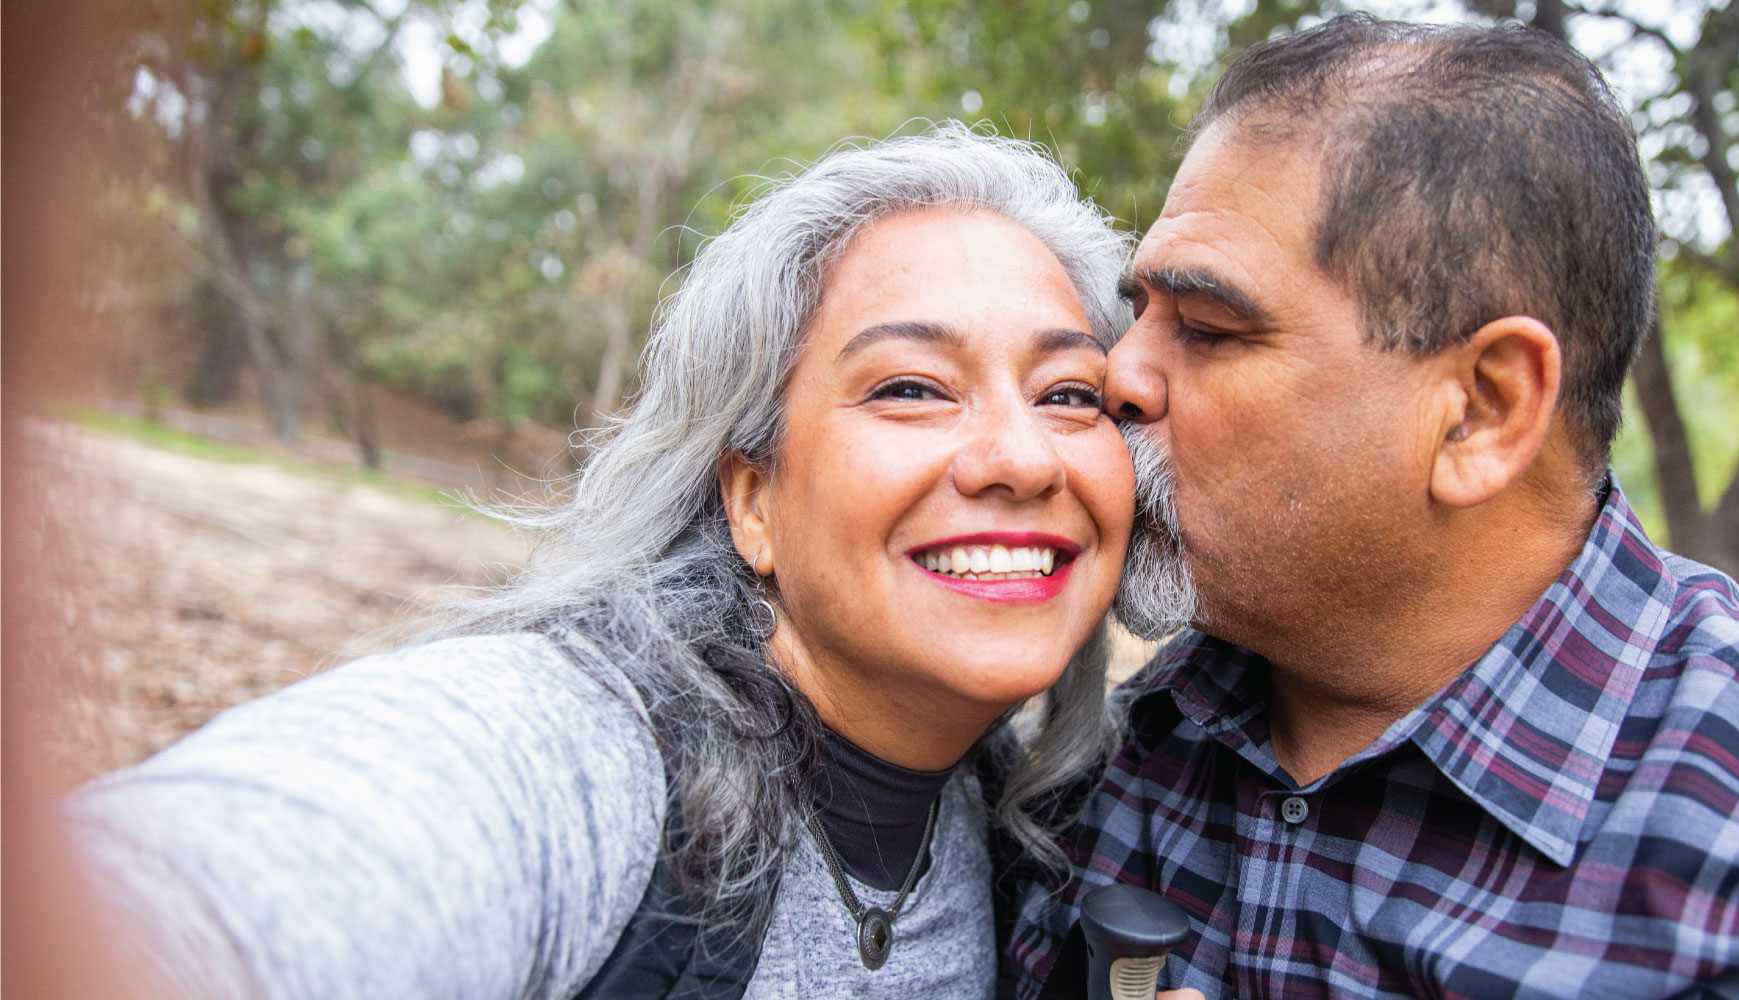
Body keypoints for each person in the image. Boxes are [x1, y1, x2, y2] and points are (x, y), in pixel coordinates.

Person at [63, 123, 1142, 999]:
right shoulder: (580, 752)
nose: (1018, 456)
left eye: (1069, 395)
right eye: (910, 386)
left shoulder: (1035, 846)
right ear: (750, 496)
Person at [1009, 15, 1739, 1000]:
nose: (1117, 372)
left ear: (1480, 411)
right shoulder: (1103, 768)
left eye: (1206, 327)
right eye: (1139, 313)